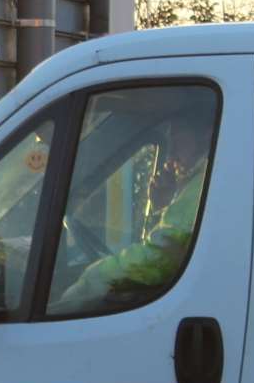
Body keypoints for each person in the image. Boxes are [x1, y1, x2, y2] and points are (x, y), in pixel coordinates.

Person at [55, 120, 210, 310]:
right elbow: (169, 246)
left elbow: (159, 255)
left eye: (178, 143)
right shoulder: (199, 183)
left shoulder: (203, 183)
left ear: (207, 135)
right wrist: (162, 204)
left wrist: (93, 279)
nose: (171, 154)